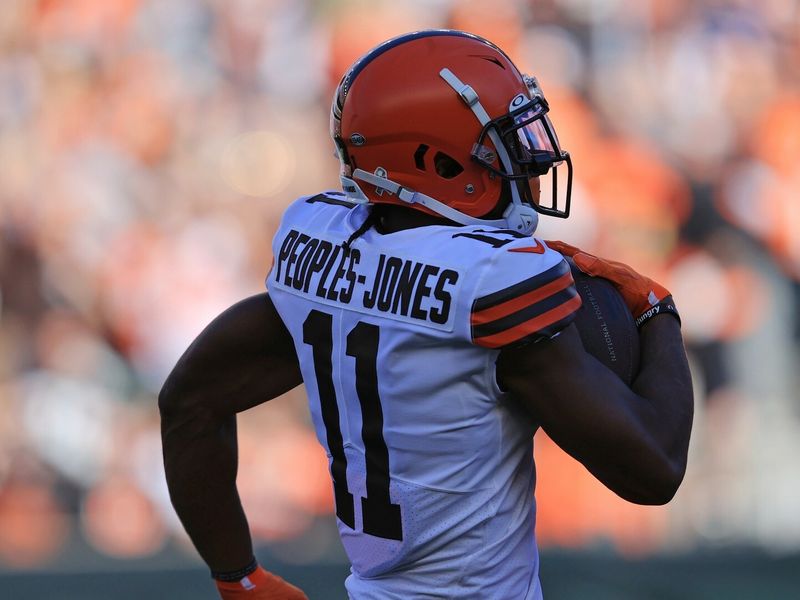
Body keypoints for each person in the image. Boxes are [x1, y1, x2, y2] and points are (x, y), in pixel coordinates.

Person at [159, 30, 693, 600]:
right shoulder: (491, 283)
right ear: (432, 161)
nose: (527, 160)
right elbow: (653, 469)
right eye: (500, 147)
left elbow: (188, 401)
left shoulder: (319, 248)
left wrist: (238, 577)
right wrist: (657, 311)